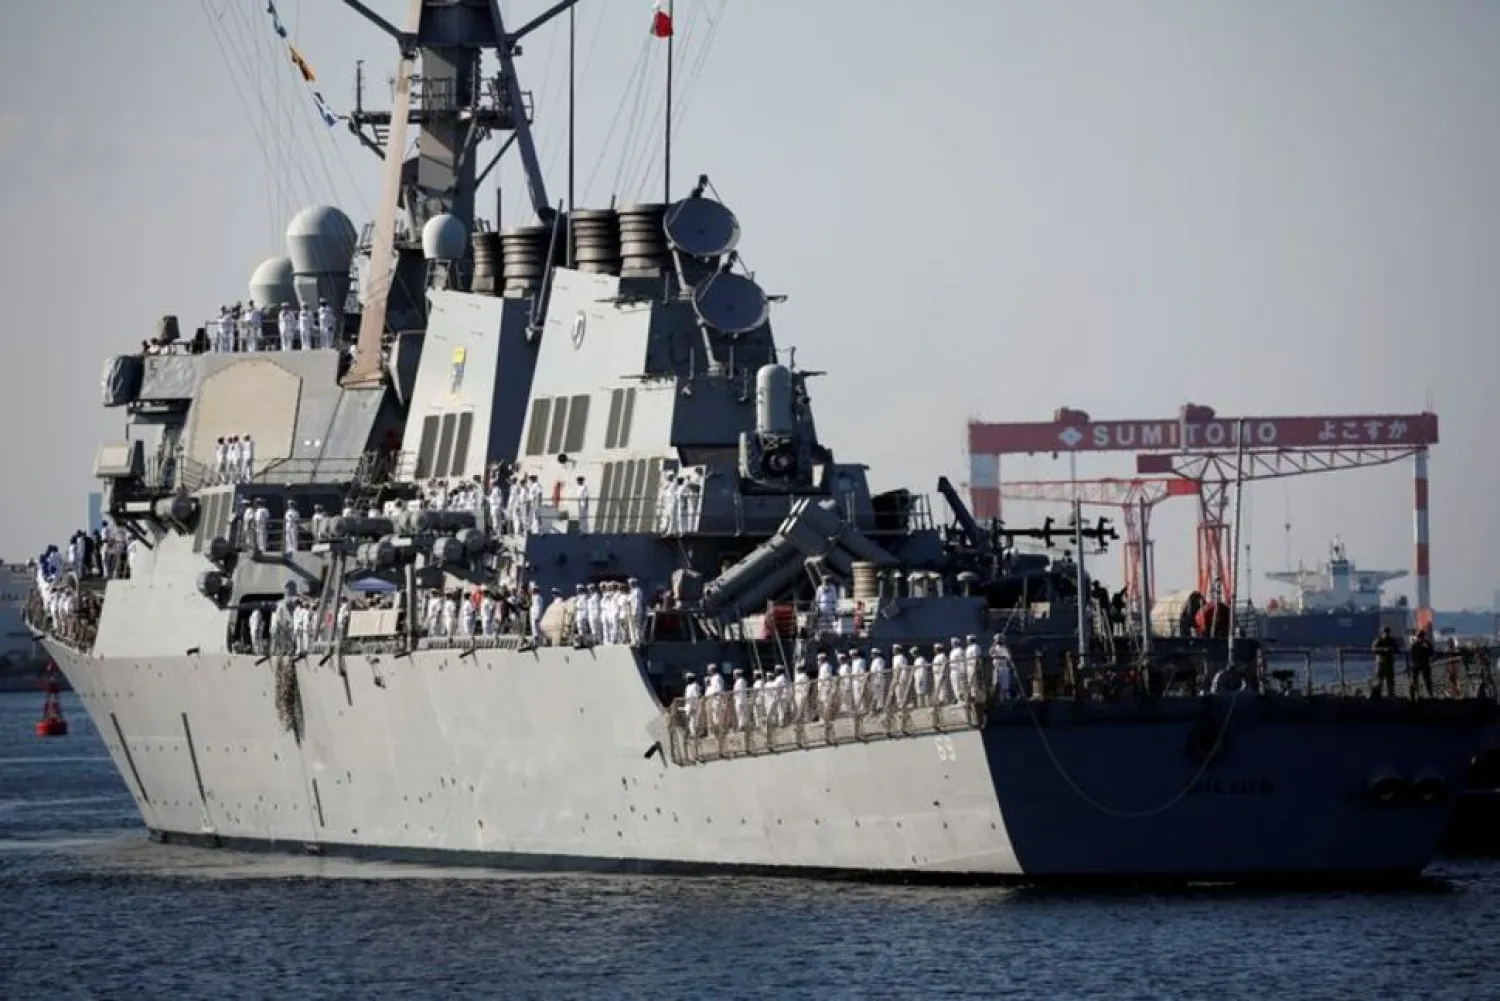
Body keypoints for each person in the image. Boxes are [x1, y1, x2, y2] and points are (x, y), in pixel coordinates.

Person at [1371, 626, 1400, 698]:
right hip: (1381, 663)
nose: (1386, 634)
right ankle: (1378, 693)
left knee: (1390, 679)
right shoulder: (1379, 640)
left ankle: (1390, 693)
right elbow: (1374, 649)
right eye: (1385, 632)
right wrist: (1383, 649)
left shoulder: (1391, 640)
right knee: (1379, 679)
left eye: (1387, 632)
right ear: (1382, 633)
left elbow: (1397, 648)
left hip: (1389, 662)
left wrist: (1392, 649)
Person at [1409, 628, 1435, 701]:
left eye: (1422, 636)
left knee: (1427, 680)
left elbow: (1431, 652)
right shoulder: (1415, 644)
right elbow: (1412, 654)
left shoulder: (1426, 643)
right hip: (1417, 664)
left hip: (1424, 664)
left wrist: (1426, 649)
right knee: (1414, 680)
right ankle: (1414, 695)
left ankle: (1430, 694)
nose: (1421, 638)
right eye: (1420, 636)